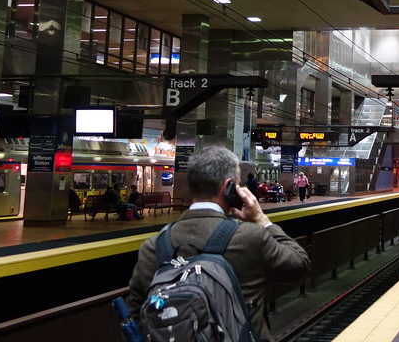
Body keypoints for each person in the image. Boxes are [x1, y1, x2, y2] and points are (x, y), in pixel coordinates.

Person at [127, 146, 309, 341]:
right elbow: (299, 264)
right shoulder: (249, 237)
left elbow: (135, 314)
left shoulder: (154, 245)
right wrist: (262, 220)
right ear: (229, 187)